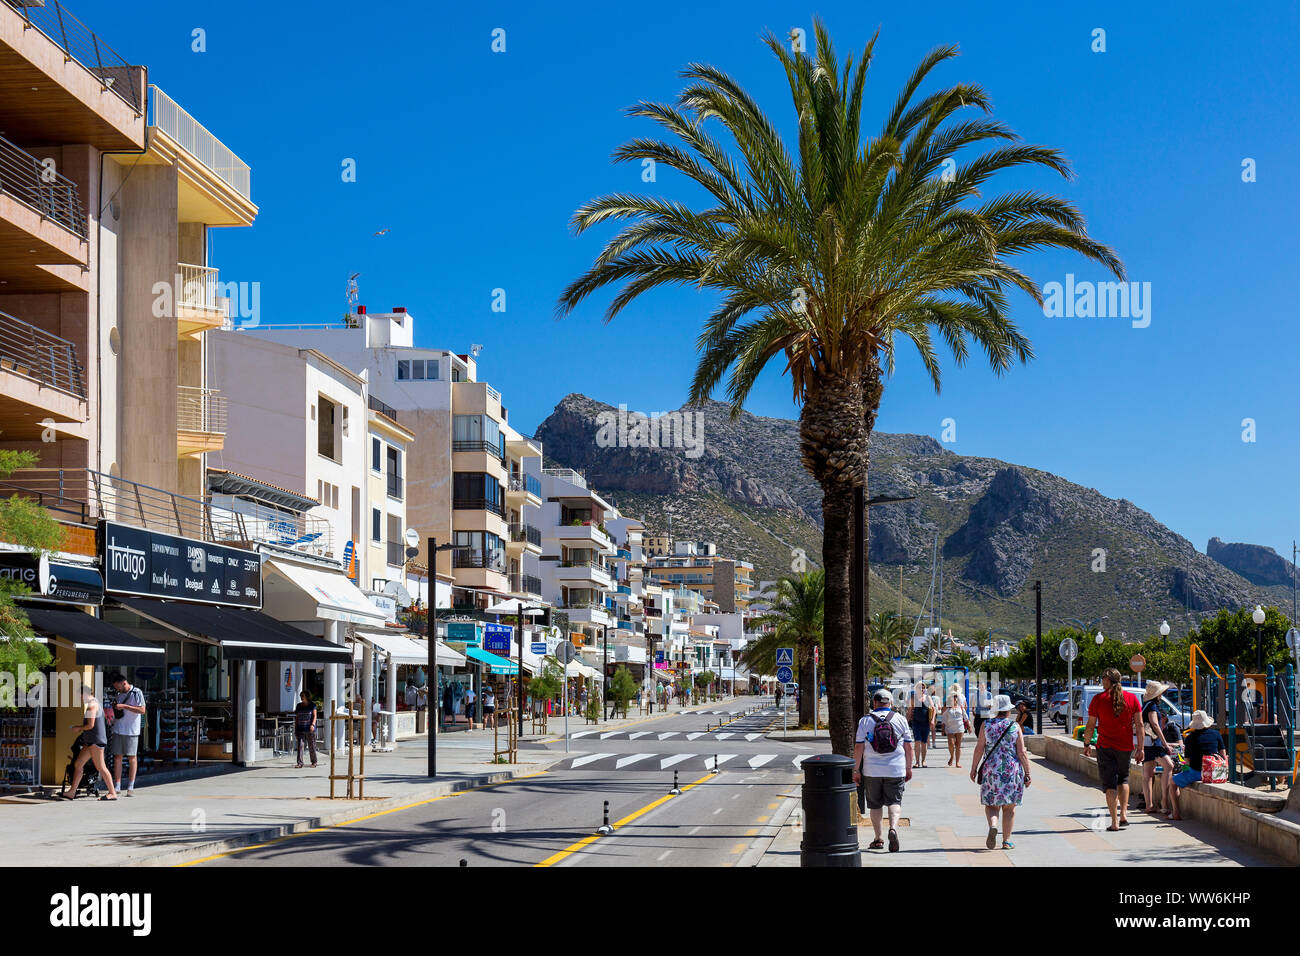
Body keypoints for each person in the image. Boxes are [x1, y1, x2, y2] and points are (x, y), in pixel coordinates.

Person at [1082, 667, 1143, 831]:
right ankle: (1124, 814)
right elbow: (1140, 725)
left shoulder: (1098, 699)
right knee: (1123, 779)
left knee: (1110, 784)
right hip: (1125, 746)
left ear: (1107, 680)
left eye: (1102, 678)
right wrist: (1141, 748)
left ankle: (1114, 822)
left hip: (1105, 747)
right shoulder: (1132, 699)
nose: (1101, 681)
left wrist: (1087, 744)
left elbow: (1090, 725)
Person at [853, 688, 914, 852]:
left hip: (872, 770)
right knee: (894, 802)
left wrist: (856, 770)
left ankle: (878, 839)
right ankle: (893, 828)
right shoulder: (900, 719)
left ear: (874, 702)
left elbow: (859, 747)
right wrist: (909, 767)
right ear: (890, 703)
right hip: (896, 769)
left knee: (875, 805)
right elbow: (908, 746)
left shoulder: (865, 721)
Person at [969, 694, 1032, 849]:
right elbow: (1022, 752)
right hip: (1011, 770)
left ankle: (993, 825)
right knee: (1009, 807)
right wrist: (1028, 773)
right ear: (1008, 711)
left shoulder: (986, 725)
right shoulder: (1014, 727)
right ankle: (1006, 841)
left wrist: (974, 768)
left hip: (991, 770)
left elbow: (979, 749)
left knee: (992, 804)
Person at [60, 686, 117, 801]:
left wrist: (78, 728)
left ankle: (112, 793)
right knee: (78, 764)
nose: (80, 699)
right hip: (90, 741)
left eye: (80, 696)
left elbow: (90, 725)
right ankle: (72, 792)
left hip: (95, 742)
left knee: (101, 767)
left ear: (84, 694)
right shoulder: (95, 703)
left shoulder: (92, 706)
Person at [1169, 711, 1226, 820]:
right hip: (1215, 772)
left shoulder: (1190, 738)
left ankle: (1176, 812)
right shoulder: (1216, 734)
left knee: (1172, 782)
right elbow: (1223, 755)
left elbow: (1187, 761)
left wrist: (1184, 772)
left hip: (1197, 773)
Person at [1139, 681, 1176, 816]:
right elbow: (1155, 724)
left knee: (1148, 774)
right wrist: (1166, 743)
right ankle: (1164, 802)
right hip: (1155, 743)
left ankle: (1149, 805)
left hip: (1146, 743)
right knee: (1169, 766)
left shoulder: (1145, 705)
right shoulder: (1153, 706)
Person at [106, 672, 145, 797]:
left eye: (118, 687)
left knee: (131, 757)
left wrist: (124, 706)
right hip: (118, 728)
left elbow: (142, 710)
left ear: (124, 683)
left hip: (131, 730)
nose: (117, 690)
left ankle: (131, 786)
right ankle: (117, 785)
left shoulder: (136, 692)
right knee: (118, 757)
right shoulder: (118, 694)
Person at [907, 683, 935, 768]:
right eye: (920, 688)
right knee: (917, 742)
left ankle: (923, 761)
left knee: (924, 743)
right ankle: (917, 762)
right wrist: (906, 722)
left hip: (926, 723)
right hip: (916, 723)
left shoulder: (928, 698)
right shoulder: (913, 698)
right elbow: (910, 710)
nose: (922, 689)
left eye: (923, 688)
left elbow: (934, 709)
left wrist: (933, 720)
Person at [941, 684, 969, 768]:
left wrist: (960, 709)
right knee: (951, 743)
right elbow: (943, 713)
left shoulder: (961, 698)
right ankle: (952, 756)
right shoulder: (949, 698)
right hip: (950, 727)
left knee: (958, 745)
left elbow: (966, 709)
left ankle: (957, 762)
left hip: (959, 726)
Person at [294, 691, 318, 768]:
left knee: (311, 746)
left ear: (307, 696)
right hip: (300, 728)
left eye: (302, 696)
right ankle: (300, 763)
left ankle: (314, 762)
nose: (301, 697)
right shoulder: (298, 706)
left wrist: (313, 725)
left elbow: (314, 716)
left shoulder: (312, 705)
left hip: (309, 729)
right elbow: (297, 718)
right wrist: (296, 729)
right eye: (301, 696)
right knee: (300, 745)